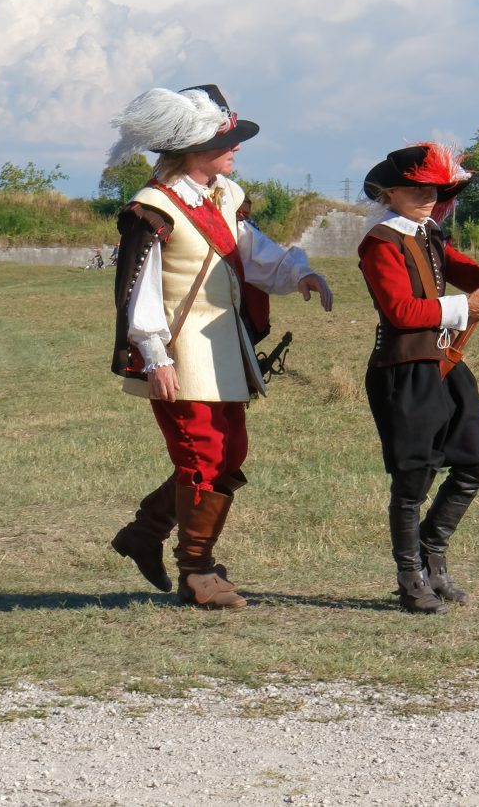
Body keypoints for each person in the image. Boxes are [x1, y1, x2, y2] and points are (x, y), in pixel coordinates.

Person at [104, 85, 333, 610]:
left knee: (230, 454)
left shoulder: (224, 195)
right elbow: (139, 291)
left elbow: (250, 250)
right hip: (179, 351)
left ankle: (146, 530)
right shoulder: (152, 208)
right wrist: (156, 357)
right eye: (226, 141)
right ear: (193, 149)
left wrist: (298, 273)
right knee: (201, 455)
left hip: (226, 346)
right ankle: (197, 570)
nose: (237, 148)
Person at [355, 143, 479, 614]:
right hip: (402, 370)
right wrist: (464, 308)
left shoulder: (430, 234)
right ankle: (410, 577)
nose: (427, 197)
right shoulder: (380, 242)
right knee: (413, 477)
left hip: (445, 364)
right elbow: (400, 311)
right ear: (390, 193)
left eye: (433, 190)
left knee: (476, 460)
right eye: (416, 189)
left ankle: (430, 554)